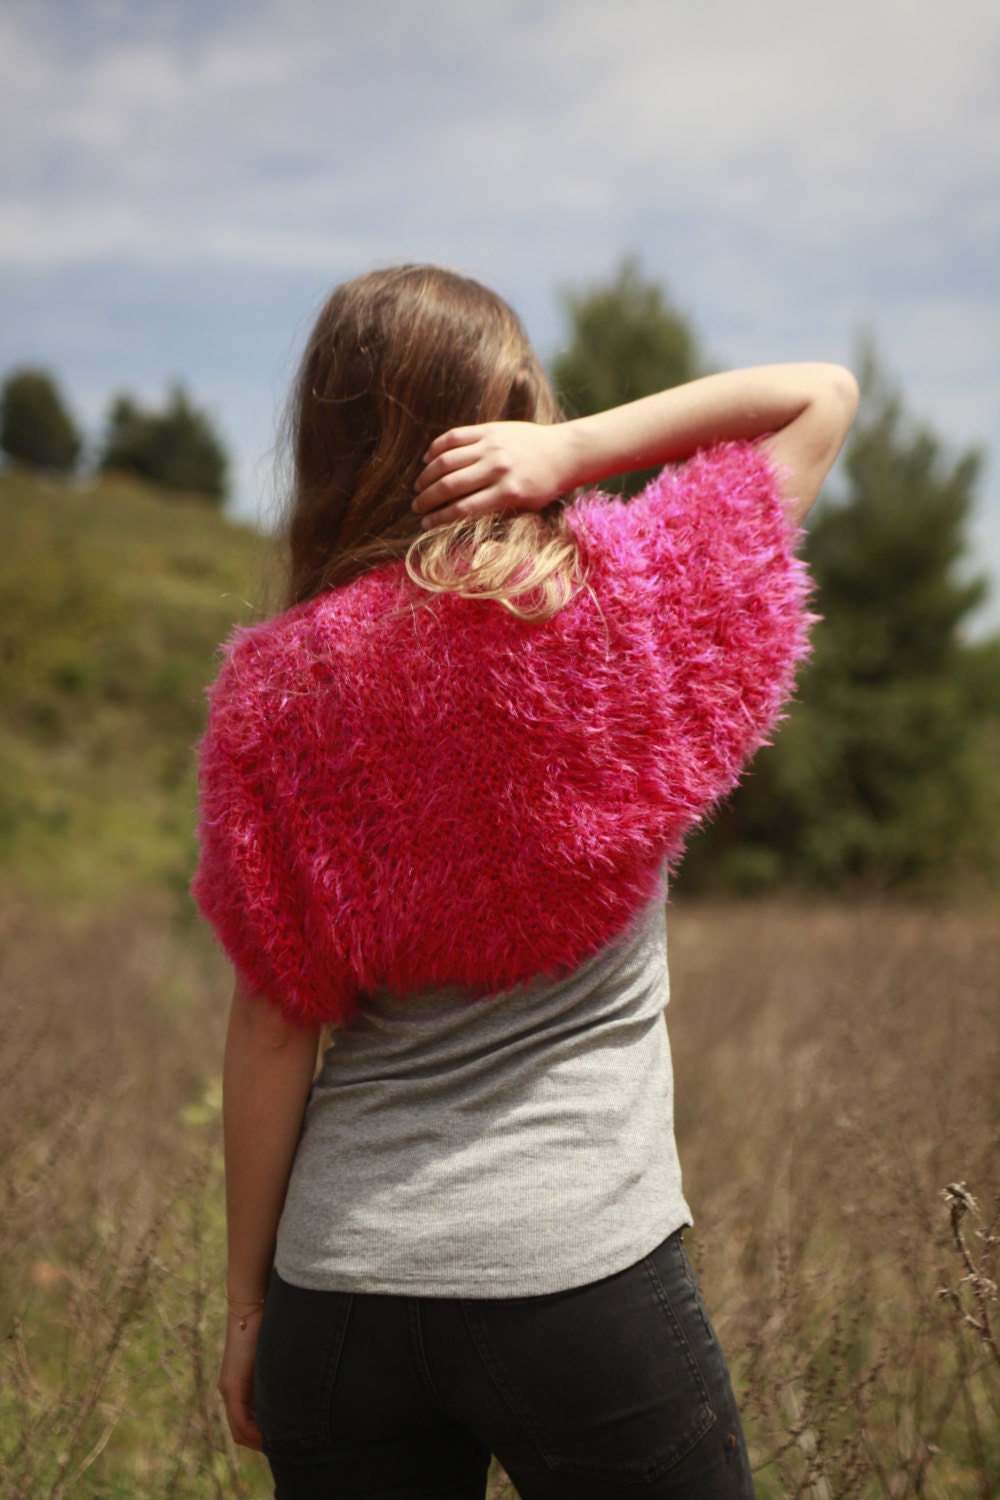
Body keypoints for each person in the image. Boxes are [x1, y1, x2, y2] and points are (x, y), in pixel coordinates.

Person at [192, 264, 858, 1500]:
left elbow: (276, 1020)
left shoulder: (279, 693)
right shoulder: (626, 599)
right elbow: (816, 397)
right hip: (579, 1279)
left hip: (341, 1294)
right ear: (509, 413)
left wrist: (247, 1307)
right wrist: (576, 453)